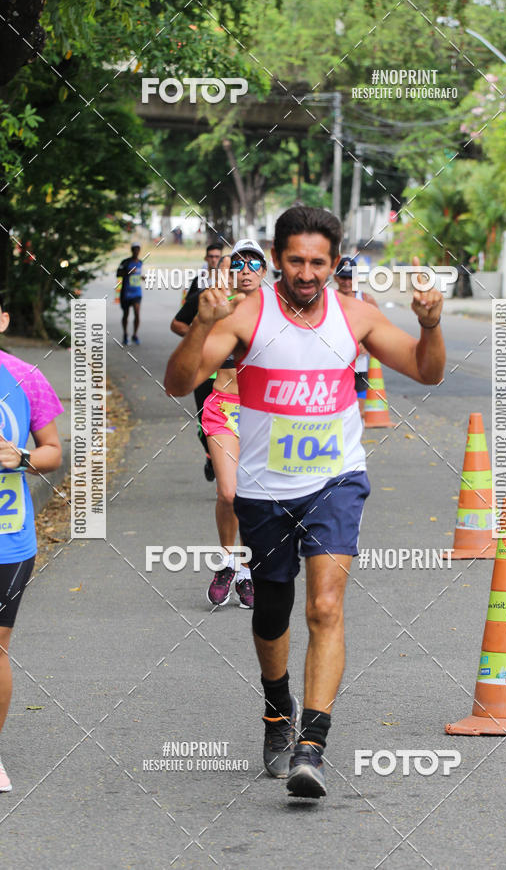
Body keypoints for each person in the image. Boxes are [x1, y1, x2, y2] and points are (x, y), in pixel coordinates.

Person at [164, 206, 445, 799]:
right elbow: (179, 382)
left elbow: (426, 370)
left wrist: (431, 325)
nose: (308, 273)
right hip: (265, 489)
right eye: (296, 260)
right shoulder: (247, 314)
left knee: (324, 605)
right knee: (272, 610)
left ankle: (311, 746)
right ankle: (276, 708)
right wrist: (200, 325)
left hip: (335, 480)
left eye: (319, 261)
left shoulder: (357, 317)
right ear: (277, 256)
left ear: (334, 260)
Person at [0, 299, 63, 792]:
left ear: (3, 320)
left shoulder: (25, 378)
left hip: (7, 537)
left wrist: (19, 456)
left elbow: (52, 453)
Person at [200, 242, 267, 610]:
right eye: (238, 263)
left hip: (263, 413)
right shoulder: (218, 307)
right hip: (223, 408)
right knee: (228, 493)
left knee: (257, 500)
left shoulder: (278, 313)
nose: (245, 269)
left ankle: (247, 569)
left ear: (264, 271)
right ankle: (229, 561)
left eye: (253, 263)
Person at [171, 243, 223, 482]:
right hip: (204, 371)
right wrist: (196, 336)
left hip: (232, 376)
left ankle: (229, 473)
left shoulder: (246, 303)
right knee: (205, 422)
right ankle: (211, 455)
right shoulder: (200, 294)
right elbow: (177, 323)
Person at [333, 255, 379, 419]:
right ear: (336, 277)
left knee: (358, 413)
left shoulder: (366, 299)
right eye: (343, 277)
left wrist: (366, 345)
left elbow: (378, 329)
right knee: (335, 410)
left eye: (350, 277)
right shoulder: (328, 299)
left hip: (359, 364)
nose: (347, 282)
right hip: (335, 364)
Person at [117, 243, 145, 345]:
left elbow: (137, 275)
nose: (137, 252)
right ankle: (125, 334)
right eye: (135, 250)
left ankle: (135, 334)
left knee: (137, 313)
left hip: (137, 292)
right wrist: (128, 272)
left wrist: (142, 277)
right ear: (132, 251)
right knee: (126, 314)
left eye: (138, 250)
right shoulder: (126, 262)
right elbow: (118, 273)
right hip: (126, 292)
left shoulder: (140, 263)